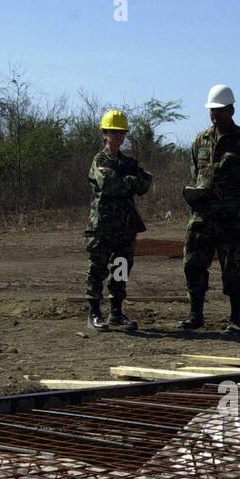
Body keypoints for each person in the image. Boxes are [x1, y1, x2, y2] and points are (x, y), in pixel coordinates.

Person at [177, 84, 240, 334]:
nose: (214, 115)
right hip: (202, 216)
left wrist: (236, 199)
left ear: (231, 110)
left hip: (232, 218)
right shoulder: (200, 140)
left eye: (219, 110)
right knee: (193, 264)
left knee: (233, 268)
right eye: (211, 111)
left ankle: (235, 320)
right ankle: (195, 316)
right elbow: (196, 172)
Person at [84, 109, 152, 331]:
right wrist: (131, 181)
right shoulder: (100, 159)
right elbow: (109, 184)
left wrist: (128, 180)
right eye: (114, 132)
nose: (119, 137)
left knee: (121, 267)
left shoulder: (127, 162)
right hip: (103, 224)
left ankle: (116, 312)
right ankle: (94, 312)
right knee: (98, 267)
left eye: (122, 133)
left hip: (125, 225)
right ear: (105, 134)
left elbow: (145, 183)